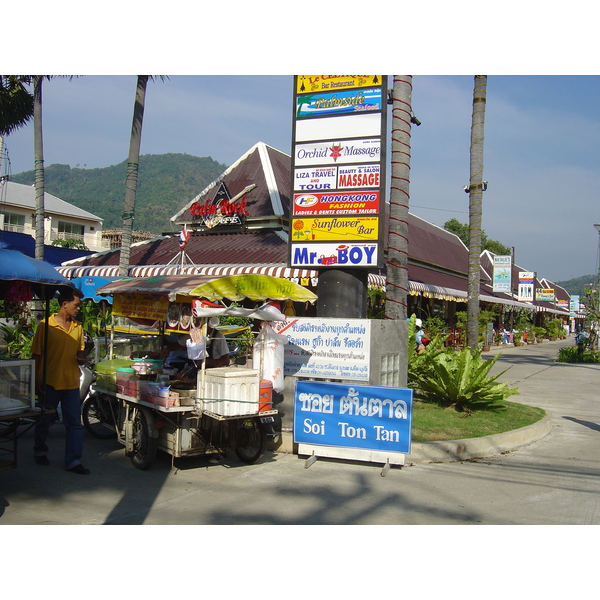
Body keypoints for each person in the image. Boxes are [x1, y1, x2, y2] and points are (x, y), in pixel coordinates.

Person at [32, 288, 90, 474]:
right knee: (44, 420)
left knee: (74, 423)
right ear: (65, 304)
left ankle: (73, 460)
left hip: (71, 383)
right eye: (76, 305)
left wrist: (81, 357)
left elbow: (79, 351)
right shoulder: (45, 326)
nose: (78, 308)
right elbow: (36, 355)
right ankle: (40, 450)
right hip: (50, 382)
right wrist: (37, 379)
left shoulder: (78, 327)